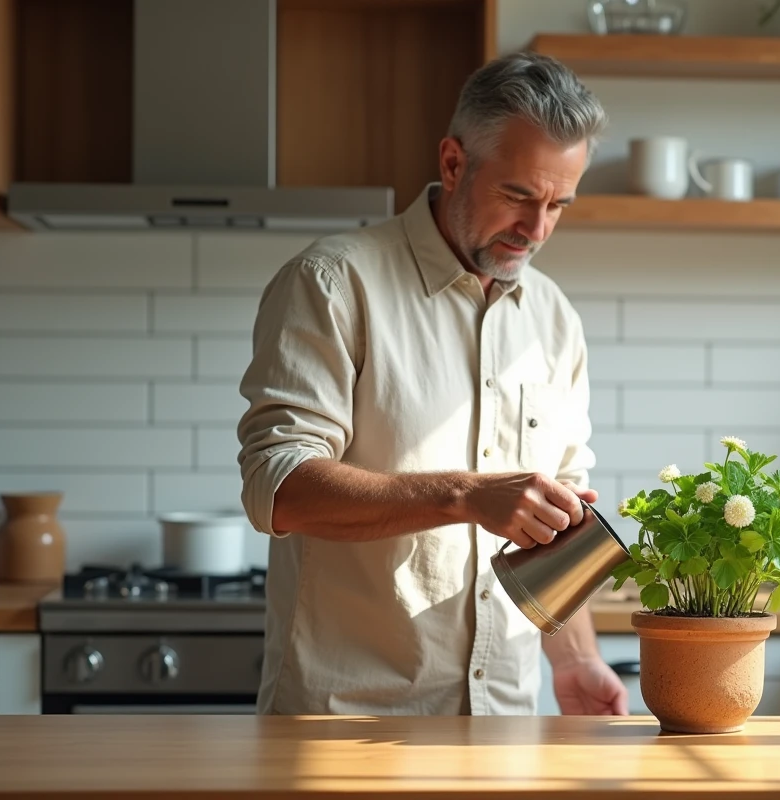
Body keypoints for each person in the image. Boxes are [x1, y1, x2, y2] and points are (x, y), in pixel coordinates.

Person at [236, 51, 629, 718]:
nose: (536, 230)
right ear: (453, 163)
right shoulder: (335, 283)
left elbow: (558, 527)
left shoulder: (553, 320)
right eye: (518, 195)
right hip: (346, 729)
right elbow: (278, 487)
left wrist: (577, 660)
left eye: (559, 204)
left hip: (505, 728)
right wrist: (467, 495)